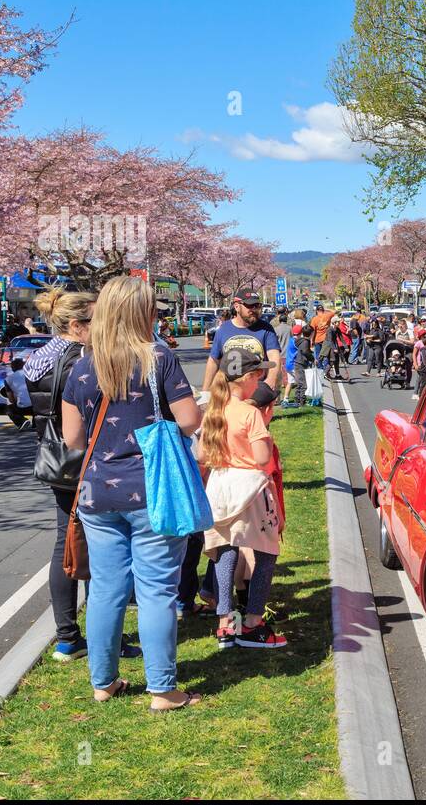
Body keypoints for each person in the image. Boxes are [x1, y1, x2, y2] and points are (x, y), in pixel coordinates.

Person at [61, 277, 202, 710]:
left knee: (105, 589)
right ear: (141, 313)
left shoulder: (83, 367)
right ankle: (162, 689)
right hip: (153, 489)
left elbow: (73, 440)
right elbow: (191, 420)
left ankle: (103, 682)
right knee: (158, 589)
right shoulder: (159, 358)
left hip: (97, 495)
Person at [26, 288, 138, 662]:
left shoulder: (38, 358)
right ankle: (108, 637)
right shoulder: (83, 359)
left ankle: (67, 635)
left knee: (66, 543)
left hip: (57, 460)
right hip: (89, 458)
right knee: (101, 549)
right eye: (97, 319)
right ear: (77, 326)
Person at [198, 346, 287, 650]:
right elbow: (262, 457)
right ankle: (252, 621)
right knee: (266, 552)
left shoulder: (214, 408)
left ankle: (224, 621)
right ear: (247, 377)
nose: (260, 379)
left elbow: (202, 454)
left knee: (225, 550)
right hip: (249, 488)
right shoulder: (250, 413)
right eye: (258, 374)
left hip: (220, 486)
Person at [201, 290, 283, 406]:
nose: (254, 310)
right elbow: (214, 360)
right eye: (250, 306)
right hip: (228, 393)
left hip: (255, 391)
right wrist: (205, 391)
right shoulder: (224, 329)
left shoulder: (266, 328)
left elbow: (274, 357)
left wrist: (270, 381)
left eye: (257, 306)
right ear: (237, 306)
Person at [412, 326, 426, 393]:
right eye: (425, 335)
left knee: (423, 381)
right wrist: (415, 364)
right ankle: (416, 393)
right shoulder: (419, 343)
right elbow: (414, 354)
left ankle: (421, 394)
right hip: (421, 364)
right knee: (420, 380)